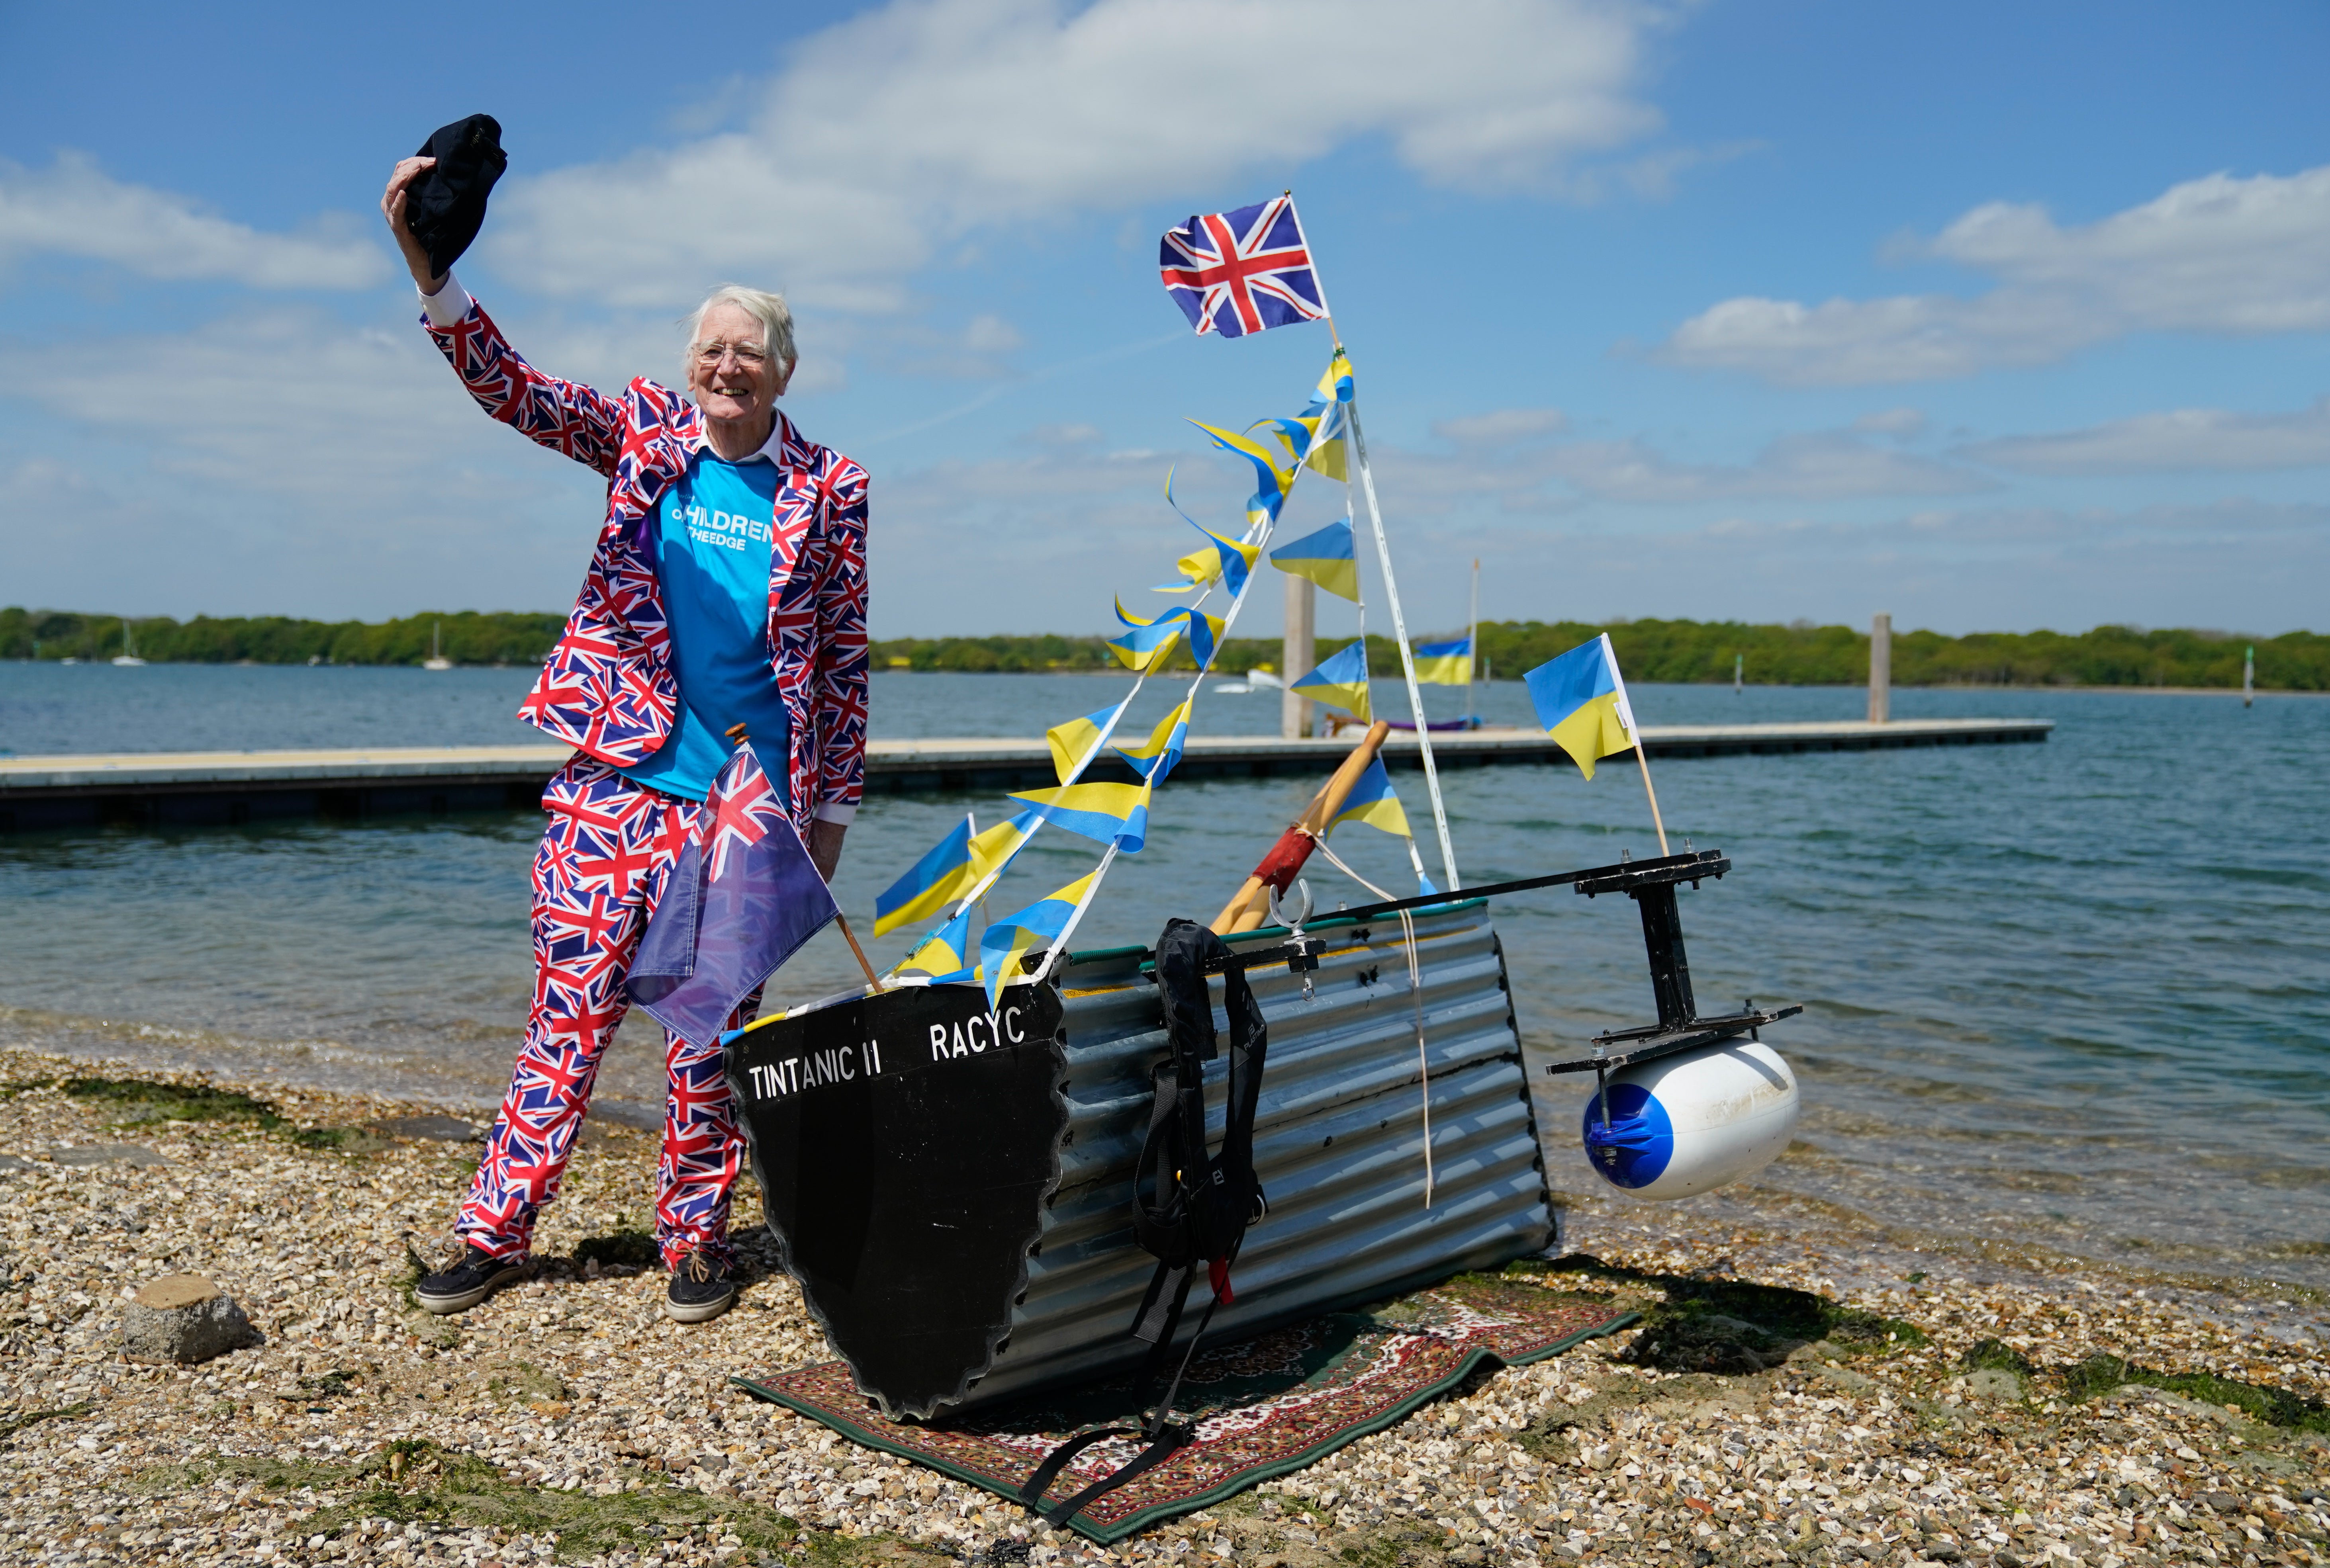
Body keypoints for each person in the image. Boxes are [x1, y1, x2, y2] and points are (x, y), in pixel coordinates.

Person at [379, 153, 870, 1324]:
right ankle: (495, 1231)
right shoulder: (646, 438)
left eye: (746, 350)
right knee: (571, 1012)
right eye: (709, 347)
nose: (724, 365)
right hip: (614, 781)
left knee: (709, 1038)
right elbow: (520, 393)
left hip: (742, 810)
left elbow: (844, 657)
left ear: (781, 370)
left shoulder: (831, 487)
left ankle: (695, 1239)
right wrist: (430, 269)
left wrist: (832, 812)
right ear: (687, 364)